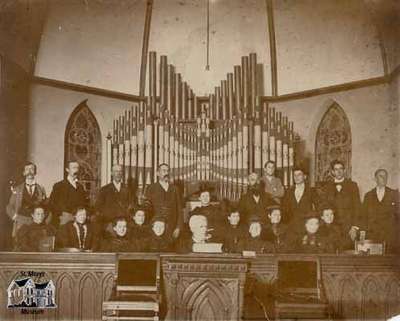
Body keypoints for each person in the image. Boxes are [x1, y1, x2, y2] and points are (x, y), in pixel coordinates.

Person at [322, 160, 361, 246]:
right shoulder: (327, 187)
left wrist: (354, 227)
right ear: (332, 172)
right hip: (332, 228)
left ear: (344, 170)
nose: (338, 171)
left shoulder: (352, 185)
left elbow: (357, 207)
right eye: (336, 169)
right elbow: (324, 207)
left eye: (341, 169)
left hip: (349, 228)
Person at [6, 162, 47, 240]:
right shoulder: (17, 189)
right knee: (21, 242)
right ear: (24, 173)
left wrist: (42, 219)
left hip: (36, 222)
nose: (30, 171)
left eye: (32, 169)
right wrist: (15, 217)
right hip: (21, 221)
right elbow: (9, 206)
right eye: (27, 169)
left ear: (35, 172)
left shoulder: (41, 189)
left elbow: (45, 206)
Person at [361, 169, 399, 253]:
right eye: (381, 176)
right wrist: (363, 233)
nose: (384, 178)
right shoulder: (368, 195)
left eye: (386, 176)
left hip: (390, 237)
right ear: (375, 179)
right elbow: (363, 216)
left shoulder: (394, 194)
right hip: (373, 236)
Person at [144, 163, 183, 239]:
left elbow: (179, 209)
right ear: (157, 173)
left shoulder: (175, 189)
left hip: (172, 227)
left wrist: (178, 227)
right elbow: (147, 210)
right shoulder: (151, 188)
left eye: (168, 171)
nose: (166, 173)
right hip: (156, 228)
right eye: (164, 171)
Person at [49, 161, 88, 226]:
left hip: (79, 218)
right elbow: (52, 203)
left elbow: (83, 203)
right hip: (64, 218)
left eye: (77, 168)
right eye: (74, 168)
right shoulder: (59, 185)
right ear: (67, 170)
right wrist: (61, 213)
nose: (76, 170)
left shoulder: (80, 187)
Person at [95, 164, 135, 229]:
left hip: (123, 225)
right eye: (116, 171)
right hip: (109, 224)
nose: (118, 174)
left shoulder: (127, 189)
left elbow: (131, 206)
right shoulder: (104, 189)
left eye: (120, 171)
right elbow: (98, 207)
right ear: (111, 173)